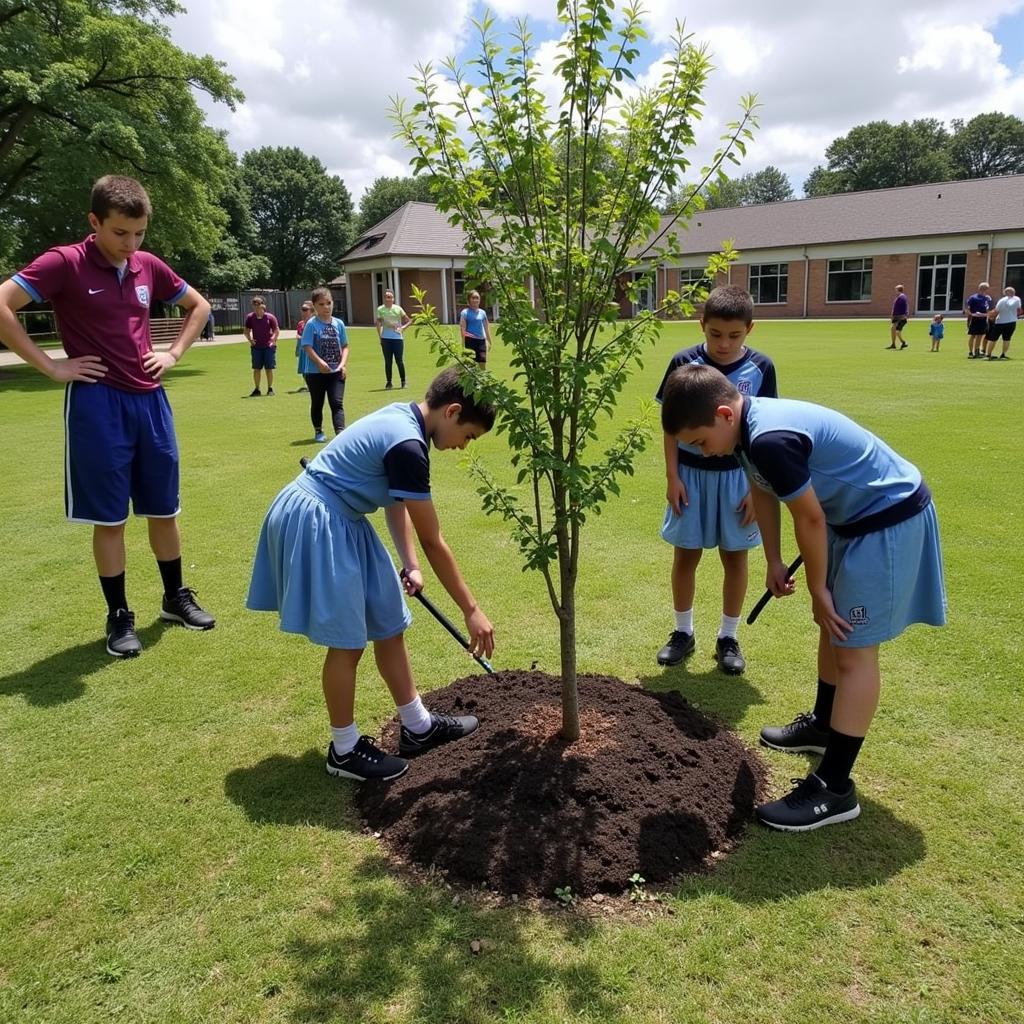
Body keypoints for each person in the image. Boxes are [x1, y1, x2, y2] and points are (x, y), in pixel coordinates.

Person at [661, 364, 945, 831]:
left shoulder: (770, 438)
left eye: (698, 441)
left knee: (852, 646)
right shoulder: (746, 433)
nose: (699, 452)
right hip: (851, 523)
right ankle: (824, 723)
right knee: (830, 631)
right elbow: (762, 490)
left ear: (724, 414)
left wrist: (818, 590)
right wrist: (773, 560)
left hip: (886, 521)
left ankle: (835, 789)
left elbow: (810, 518)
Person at [0, 174, 216, 658]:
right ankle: (119, 616)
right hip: (98, 405)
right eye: (120, 233)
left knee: (165, 508)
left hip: (151, 401)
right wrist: (52, 366)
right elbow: (2, 305)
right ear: (94, 221)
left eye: (139, 234)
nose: (131, 244)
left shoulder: (147, 266)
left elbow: (198, 306)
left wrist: (175, 354)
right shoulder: (64, 263)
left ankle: (175, 598)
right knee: (111, 519)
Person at [246, 367, 497, 781]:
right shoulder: (409, 445)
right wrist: (471, 610)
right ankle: (343, 750)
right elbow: (435, 540)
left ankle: (417, 727)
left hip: (343, 514)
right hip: (321, 516)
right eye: (468, 436)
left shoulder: (406, 421)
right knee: (349, 642)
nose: (463, 447)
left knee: (387, 620)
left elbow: (396, 501)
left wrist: (410, 564)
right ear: (452, 412)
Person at [654, 285, 778, 675]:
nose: (723, 344)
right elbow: (670, 427)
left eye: (734, 336)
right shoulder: (682, 362)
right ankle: (682, 632)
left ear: (750, 330)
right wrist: (673, 475)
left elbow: (762, 429)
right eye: (715, 334)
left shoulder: (761, 368)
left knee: (735, 559)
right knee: (685, 556)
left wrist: (758, 487)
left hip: (738, 479)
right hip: (690, 477)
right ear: (701, 325)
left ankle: (728, 637)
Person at [299, 287, 348, 443]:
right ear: (314, 306)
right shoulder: (312, 324)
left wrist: (342, 364)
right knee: (318, 402)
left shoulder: (339, 323)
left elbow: (345, 346)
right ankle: (318, 431)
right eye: (321, 304)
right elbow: (306, 346)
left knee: (337, 402)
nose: (326, 307)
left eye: (328, 303)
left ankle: (340, 434)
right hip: (315, 373)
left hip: (336, 372)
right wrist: (319, 362)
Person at [376, 289, 412, 390]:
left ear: (393, 298)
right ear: (384, 298)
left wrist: (403, 328)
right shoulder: (380, 309)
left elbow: (409, 321)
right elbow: (378, 323)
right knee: (388, 362)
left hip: (397, 338)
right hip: (386, 338)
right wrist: (380, 336)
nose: (389, 299)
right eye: (387, 297)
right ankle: (389, 382)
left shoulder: (398, 309)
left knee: (399, 361)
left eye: (390, 297)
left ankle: (403, 381)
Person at [244, 295, 279, 395]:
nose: (256, 306)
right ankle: (257, 389)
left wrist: (273, 339)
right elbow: (246, 331)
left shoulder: (270, 317)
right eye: (254, 304)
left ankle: (270, 389)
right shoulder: (250, 317)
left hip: (268, 347)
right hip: (256, 348)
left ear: (263, 305)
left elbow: (276, 330)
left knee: (269, 368)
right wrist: (250, 340)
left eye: (258, 303)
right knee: (256, 369)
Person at [984, 286, 1021, 360]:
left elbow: (996, 311)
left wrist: (990, 317)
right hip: (1012, 321)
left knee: (993, 339)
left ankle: (988, 354)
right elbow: (1019, 310)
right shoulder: (1017, 299)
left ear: (1005, 293)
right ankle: (1003, 354)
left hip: (1000, 321)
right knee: (1007, 339)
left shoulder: (1002, 300)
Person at [459, 290, 492, 368]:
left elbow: (486, 327)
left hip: (481, 341)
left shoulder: (482, 312)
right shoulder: (465, 313)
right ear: (469, 300)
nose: (475, 300)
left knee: (482, 361)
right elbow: (462, 328)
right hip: (470, 340)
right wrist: (463, 342)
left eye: (477, 298)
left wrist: (489, 341)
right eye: (473, 298)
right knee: (470, 364)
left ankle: (482, 380)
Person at [964, 282, 992, 359]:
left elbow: (988, 309)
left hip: (983, 319)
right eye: (984, 288)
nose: (985, 290)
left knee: (980, 335)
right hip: (974, 319)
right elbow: (967, 308)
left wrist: (987, 315)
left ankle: (976, 351)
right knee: (973, 335)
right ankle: (971, 352)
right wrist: (972, 314)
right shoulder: (973, 297)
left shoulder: (987, 298)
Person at [294, 300, 313, 392]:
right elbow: (298, 336)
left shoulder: (314, 323)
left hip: (311, 350)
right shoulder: (300, 324)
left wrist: (302, 337)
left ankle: (312, 385)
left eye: (305, 309)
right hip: (302, 349)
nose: (303, 311)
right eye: (302, 309)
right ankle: (308, 385)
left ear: (311, 311)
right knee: (303, 369)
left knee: (310, 369)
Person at [885, 285, 909, 349]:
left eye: (896, 289)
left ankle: (901, 342)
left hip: (900, 317)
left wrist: (903, 315)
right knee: (894, 329)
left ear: (898, 290)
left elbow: (902, 307)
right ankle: (895, 344)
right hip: (898, 316)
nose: (895, 291)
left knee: (896, 330)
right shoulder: (899, 297)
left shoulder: (902, 297)